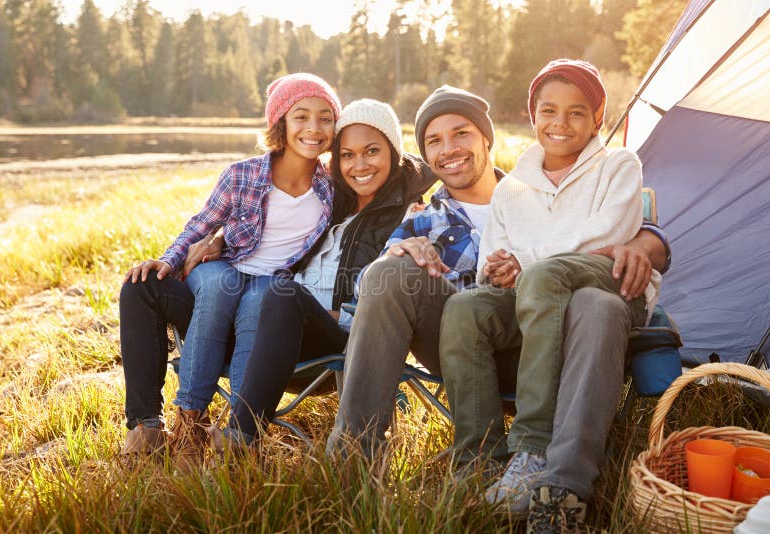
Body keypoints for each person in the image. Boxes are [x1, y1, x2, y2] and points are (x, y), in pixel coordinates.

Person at [325, 85, 671, 467]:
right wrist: (396, 254)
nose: (449, 149)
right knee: (389, 274)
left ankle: (552, 466)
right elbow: (369, 290)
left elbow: (621, 227)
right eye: (434, 141)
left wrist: (649, 239)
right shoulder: (422, 218)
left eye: (461, 133)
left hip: (563, 340)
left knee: (585, 300)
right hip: (467, 352)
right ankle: (353, 458)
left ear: (486, 139)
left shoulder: (538, 188)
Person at [438, 59, 661, 532]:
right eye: (549, 111)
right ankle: (478, 460)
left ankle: (534, 444)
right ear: (533, 114)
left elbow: (611, 232)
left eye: (577, 112)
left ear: (598, 117)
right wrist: (499, 268)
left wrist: (529, 260)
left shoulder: (618, 164)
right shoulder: (512, 186)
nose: (561, 123)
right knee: (465, 307)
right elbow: (490, 262)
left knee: (543, 278)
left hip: (608, 279)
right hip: (535, 294)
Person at [118, 73, 341, 467]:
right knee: (157, 285)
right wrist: (170, 260)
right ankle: (174, 425)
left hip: (271, 290)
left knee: (262, 297)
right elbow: (200, 225)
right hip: (222, 273)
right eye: (301, 116)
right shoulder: (243, 174)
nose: (314, 128)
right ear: (281, 123)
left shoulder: (332, 189)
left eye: (326, 118)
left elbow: (388, 161)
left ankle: (239, 437)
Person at [222, 99, 435, 446]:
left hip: (342, 341)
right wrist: (215, 240)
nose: (359, 165)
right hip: (276, 330)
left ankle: (242, 435)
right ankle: (177, 421)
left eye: (372, 151)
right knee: (187, 291)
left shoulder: (411, 215)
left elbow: (387, 307)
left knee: (281, 293)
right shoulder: (329, 200)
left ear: (393, 152)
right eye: (347, 155)